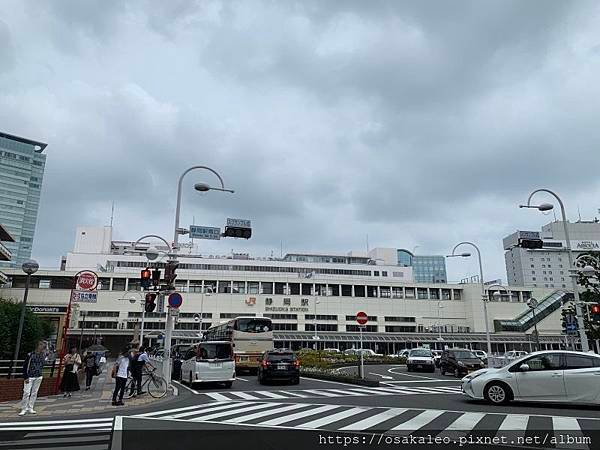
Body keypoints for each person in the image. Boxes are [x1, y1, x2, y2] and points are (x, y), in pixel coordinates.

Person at [19, 341, 47, 416]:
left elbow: (44, 364)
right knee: (26, 392)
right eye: (41, 345)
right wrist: (25, 376)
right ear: (37, 346)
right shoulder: (30, 355)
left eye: (43, 345)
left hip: (38, 376)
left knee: (34, 392)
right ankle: (23, 408)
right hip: (30, 376)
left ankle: (30, 407)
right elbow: (25, 366)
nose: (42, 347)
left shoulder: (42, 355)